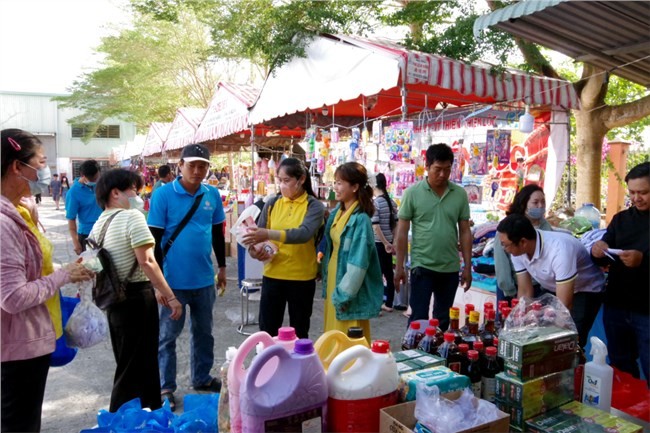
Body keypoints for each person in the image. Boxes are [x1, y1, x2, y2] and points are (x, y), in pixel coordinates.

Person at [1, 128, 94, 432]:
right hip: (17, 347)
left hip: (25, 341)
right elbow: (13, 297)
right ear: (17, 166)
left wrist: (62, 270)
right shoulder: (3, 223)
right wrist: (63, 276)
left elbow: (28, 266)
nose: (45, 170)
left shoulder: (16, 211)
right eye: (40, 162)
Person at [90, 169, 183, 412]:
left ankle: (149, 409)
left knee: (131, 360)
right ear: (116, 192)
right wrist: (170, 295)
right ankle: (118, 417)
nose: (137, 195)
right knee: (135, 365)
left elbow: (91, 265)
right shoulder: (132, 217)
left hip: (114, 300)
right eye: (133, 189)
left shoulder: (100, 223)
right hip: (135, 298)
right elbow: (148, 261)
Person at [147, 143, 227, 411]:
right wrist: (159, 285)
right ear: (179, 165)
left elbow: (217, 233)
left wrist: (223, 268)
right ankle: (166, 387)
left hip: (205, 280)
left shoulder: (212, 194)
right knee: (168, 337)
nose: (197, 170)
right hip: (173, 283)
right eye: (191, 165)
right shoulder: (163, 195)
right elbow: (155, 242)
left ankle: (202, 377)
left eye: (202, 165)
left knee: (204, 333)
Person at [242, 158, 325, 338]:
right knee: (267, 331)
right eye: (279, 180)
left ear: (301, 179)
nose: (282, 185)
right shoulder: (272, 203)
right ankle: (268, 365)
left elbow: (303, 234)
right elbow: (258, 237)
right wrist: (255, 252)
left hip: (301, 277)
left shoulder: (314, 206)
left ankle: (298, 366)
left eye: (286, 180)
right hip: (273, 275)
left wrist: (268, 234)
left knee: (300, 331)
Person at [394, 143, 472, 331]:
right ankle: (412, 356)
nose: (443, 175)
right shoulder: (412, 194)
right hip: (422, 266)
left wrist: (467, 267)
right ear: (427, 167)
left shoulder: (459, 194)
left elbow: (465, 231)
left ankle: (438, 358)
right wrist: (399, 267)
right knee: (418, 319)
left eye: (447, 170)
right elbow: (402, 232)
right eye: (438, 169)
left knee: (443, 320)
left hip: (450, 267)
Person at [497, 214, 605, 348]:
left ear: (523, 242)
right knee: (536, 328)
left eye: (505, 245)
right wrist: (519, 321)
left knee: (568, 340)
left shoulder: (559, 249)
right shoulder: (517, 251)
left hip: (584, 290)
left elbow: (565, 305)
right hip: (553, 286)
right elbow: (525, 291)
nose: (504, 249)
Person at [591, 161, 649, 384]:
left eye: (643, 192)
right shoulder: (621, 219)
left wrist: (643, 261)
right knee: (620, 365)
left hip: (646, 309)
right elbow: (601, 253)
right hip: (617, 303)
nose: (636, 198)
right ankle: (631, 413)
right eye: (632, 192)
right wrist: (598, 250)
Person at [321, 162, 383, 342]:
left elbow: (358, 264)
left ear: (355, 187)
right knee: (334, 333)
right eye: (335, 182)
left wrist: (344, 294)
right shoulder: (337, 213)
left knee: (348, 335)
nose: (335, 187)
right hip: (335, 276)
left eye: (340, 183)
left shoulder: (361, 220)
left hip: (348, 285)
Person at [493, 184, 552, 304]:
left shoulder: (546, 227)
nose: (540, 206)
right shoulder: (508, 227)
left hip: (539, 288)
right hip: (513, 287)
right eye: (535, 202)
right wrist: (510, 292)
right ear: (524, 204)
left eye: (543, 202)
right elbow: (502, 264)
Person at [371, 173, 398, 312]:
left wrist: (385, 242)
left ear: (375, 185)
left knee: (377, 274)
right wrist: (392, 240)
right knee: (388, 273)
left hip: (379, 243)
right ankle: (389, 303)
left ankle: (377, 304)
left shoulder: (376, 203)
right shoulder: (391, 202)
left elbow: (375, 226)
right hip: (388, 243)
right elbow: (396, 224)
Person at [65, 159, 102, 255]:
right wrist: (76, 243)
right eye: (92, 179)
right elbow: (71, 219)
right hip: (87, 234)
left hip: (105, 231)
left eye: (96, 178)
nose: (95, 181)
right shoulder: (73, 192)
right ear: (82, 176)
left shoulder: (101, 185)